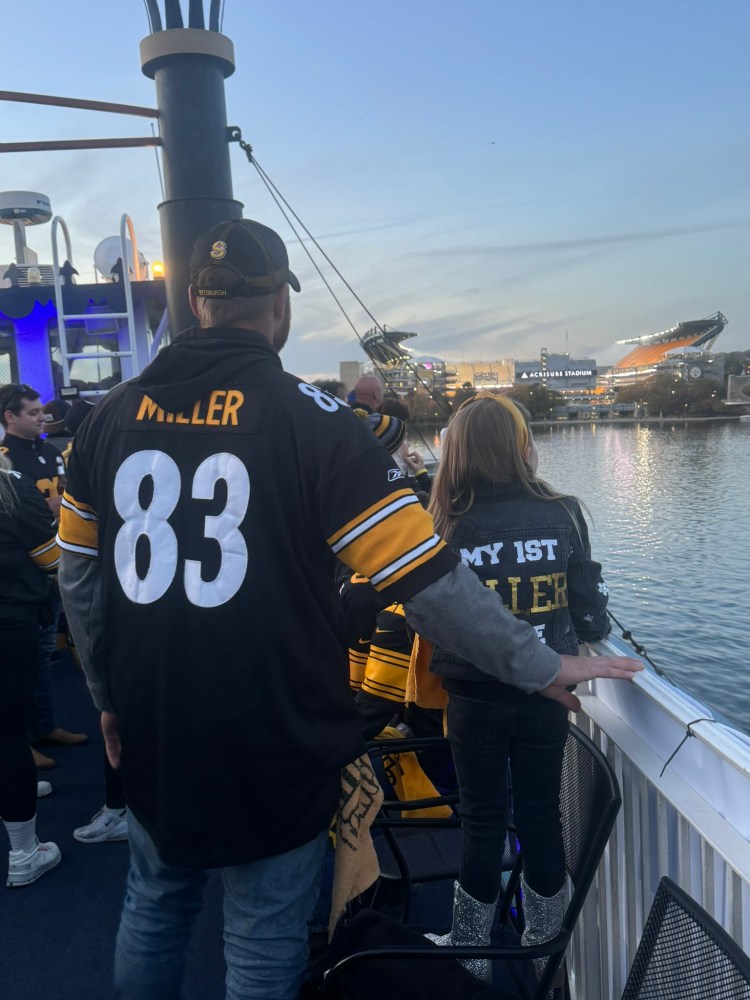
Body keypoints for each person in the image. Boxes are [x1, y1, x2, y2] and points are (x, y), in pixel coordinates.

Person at [57, 218, 641, 1000]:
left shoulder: (105, 420)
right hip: (275, 728)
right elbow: (425, 580)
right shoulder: (316, 423)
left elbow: (80, 581)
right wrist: (543, 663)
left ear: (197, 301)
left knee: (155, 904)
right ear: (279, 307)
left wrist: (106, 699)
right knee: (262, 940)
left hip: (155, 718)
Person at [425, 392, 613, 979]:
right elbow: (589, 616)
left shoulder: (447, 519)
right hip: (546, 694)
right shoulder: (564, 512)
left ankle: (471, 952)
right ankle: (543, 950)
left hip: (472, 695)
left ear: (458, 450)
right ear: (521, 446)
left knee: (481, 820)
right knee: (539, 817)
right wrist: (590, 625)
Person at [0, 383, 87, 762]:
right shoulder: (5, 461)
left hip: (54, 565)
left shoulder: (51, 452)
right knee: (20, 665)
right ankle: (21, 746)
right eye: (33, 413)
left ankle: (44, 726)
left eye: (40, 411)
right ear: (10, 417)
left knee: (42, 657)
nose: (42, 418)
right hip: (20, 575)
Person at [0, 453, 61, 887]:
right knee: (8, 737)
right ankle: (23, 853)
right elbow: (53, 558)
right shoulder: (11, 488)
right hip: (8, 625)